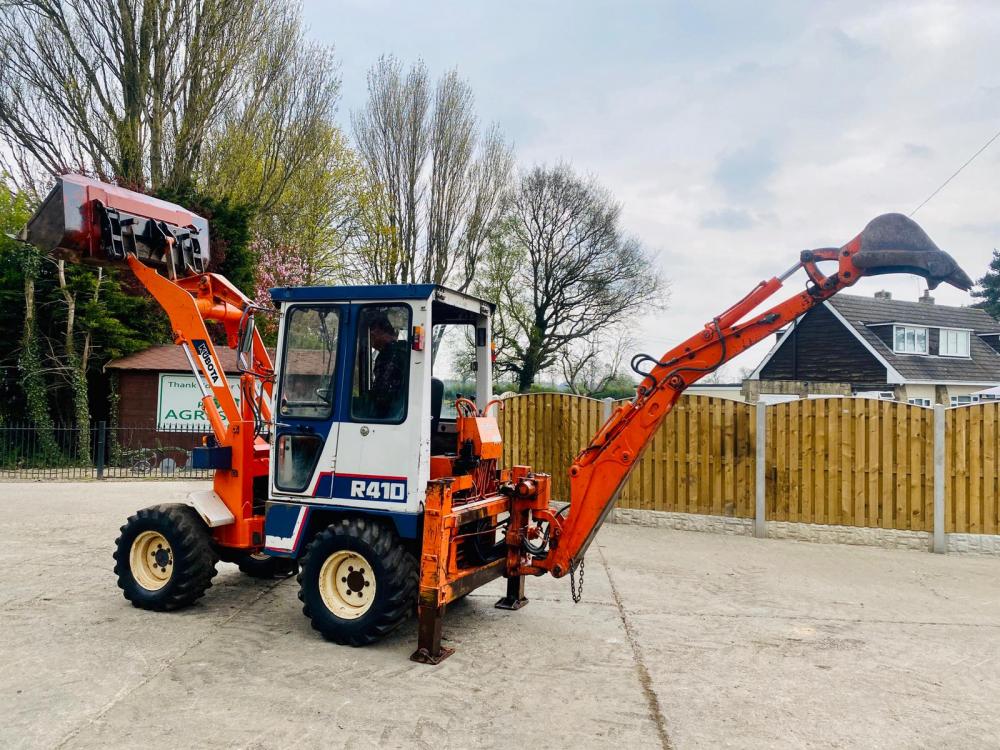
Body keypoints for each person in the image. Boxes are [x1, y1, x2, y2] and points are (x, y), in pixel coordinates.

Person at [366, 310, 408, 419]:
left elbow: (382, 392)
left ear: (379, 331)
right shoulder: (403, 351)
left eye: (371, 333)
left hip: (388, 417)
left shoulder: (390, 355)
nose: (370, 338)